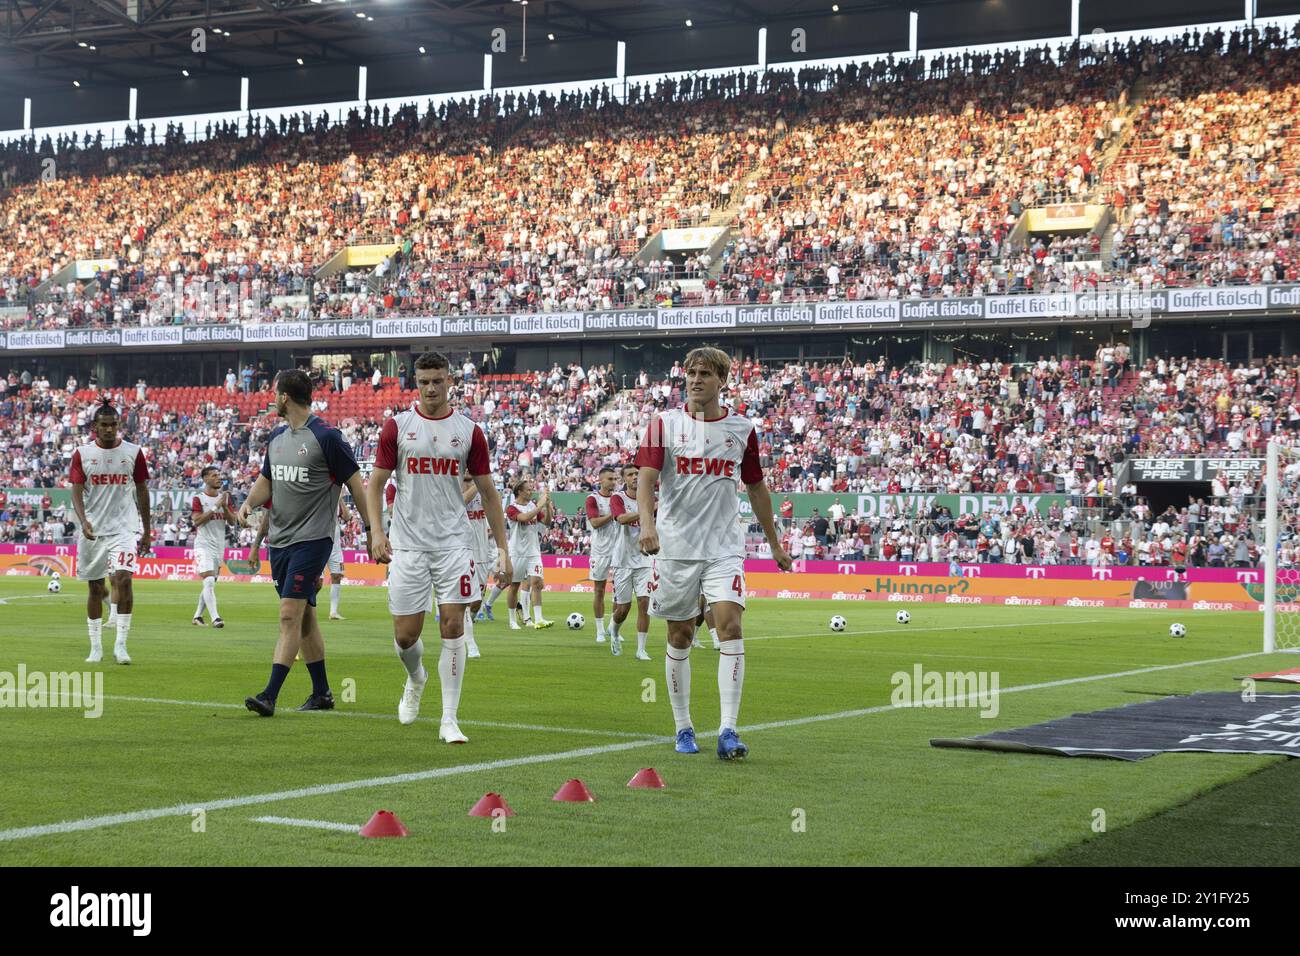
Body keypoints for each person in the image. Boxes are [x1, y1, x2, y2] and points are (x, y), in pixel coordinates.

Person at [635, 347, 792, 760]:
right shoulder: (663, 425)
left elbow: (756, 487)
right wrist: (647, 524)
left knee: (730, 626)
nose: (695, 379)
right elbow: (647, 478)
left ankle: (728, 729)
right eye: (690, 372)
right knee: (679, 635)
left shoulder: (741, 428)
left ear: (722, 380)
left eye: (705, 373)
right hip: (674, 548)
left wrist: (774, 541)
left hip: (724, 546)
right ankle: (683, 727)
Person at [365, 352, 510, 742]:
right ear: (416, 382)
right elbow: (375, 484)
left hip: (453, 545)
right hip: (408, 546)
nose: (431, 388)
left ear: (450, 382)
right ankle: (416, 678)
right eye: (425, 381)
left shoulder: (469, 431)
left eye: (438, 381)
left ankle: (449, 718)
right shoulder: (397, 427)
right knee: (405, 636)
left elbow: (489, 494)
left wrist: (503, 549)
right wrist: (377, 533)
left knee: (453, 625)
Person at [237, 369, 371, 717]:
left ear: (284, 397)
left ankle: (269, 695)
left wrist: (372, 530)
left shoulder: (327, 436)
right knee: (307, 619)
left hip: (313, 539)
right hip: (279, 541)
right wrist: (249, 503)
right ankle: (323, 692)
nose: (272, 398)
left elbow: (356, 484)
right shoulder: (278, 438)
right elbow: (268, 482)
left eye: (274, 393)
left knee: (288, 615)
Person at [71, 400, 152, 664]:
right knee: (95, 589)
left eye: (113, 425)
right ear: (95, 427)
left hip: (124, 528)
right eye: (104, 425)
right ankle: (96, 647)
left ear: (119, 425)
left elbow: (142, 490)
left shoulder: (133, 452)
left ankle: (121, 644)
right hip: (93, 529)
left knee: (123, 580)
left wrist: (147, 530)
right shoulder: (82, 453)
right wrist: (83, 521)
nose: (109, 430)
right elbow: (75, 491)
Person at [609, 463, 653, 660]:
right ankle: (615, 633)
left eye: (637, 474)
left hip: (645, 560)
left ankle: (641, 649)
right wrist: (647, 511)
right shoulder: (618, 498)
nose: (635, 477)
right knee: (623, 609)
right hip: (623, 560)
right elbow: (621, 519)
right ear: (624, 479)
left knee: (645, 603)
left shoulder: (650, 498)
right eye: (630, 475)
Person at [191, 465, 239, 627]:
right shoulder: (199, 498)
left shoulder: (225, 499)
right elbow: (197, 521)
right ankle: (215, 618)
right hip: (203, 545)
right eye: (214, 475)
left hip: (219, 546)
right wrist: (215, 506)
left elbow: (232, 521)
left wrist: (224, 507)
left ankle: (197, 616)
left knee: (209, 583)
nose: (219, 478)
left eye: (219, 475)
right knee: (209, 581)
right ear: (205, 479)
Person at [505, 477, 553, 630]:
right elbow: (525, 518)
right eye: (528, 489)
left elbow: (546, 522)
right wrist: (539, 505)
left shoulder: (533, 505)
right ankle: (512, 619)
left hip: (533, 551)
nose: (531, 491)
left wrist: (548, 506)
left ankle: (538, 618)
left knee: (537, 583)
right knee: (514, 586)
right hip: (517, 552)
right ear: (519, 491)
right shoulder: (512, 508)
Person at [459, 473, 495, 657]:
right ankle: (470, 643)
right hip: (460, 549)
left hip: (482, 551)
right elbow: (460, 502)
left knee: (477, 601)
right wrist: (480, 486)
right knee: (466, 600)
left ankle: (464, 629)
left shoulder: (483, 489)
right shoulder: (453, 484)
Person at [585, 466, 618, 644]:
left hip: (620, 551)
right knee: (599, 590)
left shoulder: (620, 498)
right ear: (601, 480)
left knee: (620, 593)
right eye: (610, 479)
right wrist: (614, 514)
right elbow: (595, 523)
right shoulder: (593, 499)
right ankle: (599, 630)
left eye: (615, 479)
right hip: (600, 551)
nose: (613, 482)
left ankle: (613, 628)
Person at [326, 496, 349, 621]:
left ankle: (333, 612)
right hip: (319, 542)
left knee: (337, 576)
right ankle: (304, 608)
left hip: (335, 546)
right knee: (317, 582)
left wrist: (340, 500)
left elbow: (346, 517)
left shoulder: (337, 500)